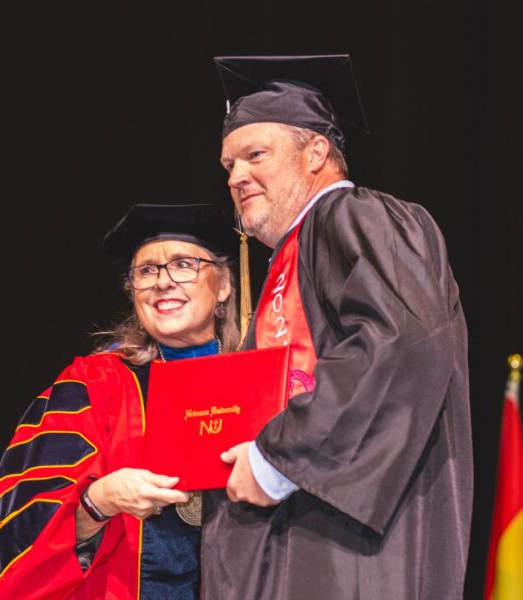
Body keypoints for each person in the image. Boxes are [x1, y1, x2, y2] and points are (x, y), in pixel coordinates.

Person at [200, 55, 473, 599]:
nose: (236, 177)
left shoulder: (359, 218)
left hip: (350, 549)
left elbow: (401, 347)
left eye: (256, 155)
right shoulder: (294, 259)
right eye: (229, 165)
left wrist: (277, 457)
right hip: (304, 539)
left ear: (316, 152)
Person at [0, 203, 240, 599]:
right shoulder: (94, 385)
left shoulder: (263, 378)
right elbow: (20, 546)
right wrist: (98, 501)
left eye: (184, 264)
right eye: (146, 271)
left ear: (223, 285)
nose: (162, 282)